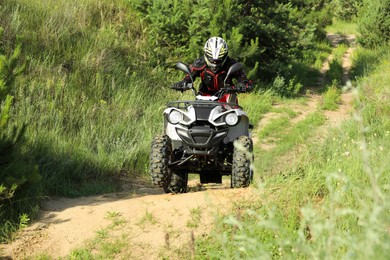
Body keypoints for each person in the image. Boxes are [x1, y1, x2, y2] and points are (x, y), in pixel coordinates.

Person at [171, 37, 253, 103]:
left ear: (225, 56)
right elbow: (190, 76)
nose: (215, 63)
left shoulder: (231, 64)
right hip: (203, 97)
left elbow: (243, 79)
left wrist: (243, 85)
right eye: (212, 60)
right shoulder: (200, 63)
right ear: (206, 55)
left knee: (238, 116)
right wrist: (183, 83)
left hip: (227, 96)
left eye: (218, 60)